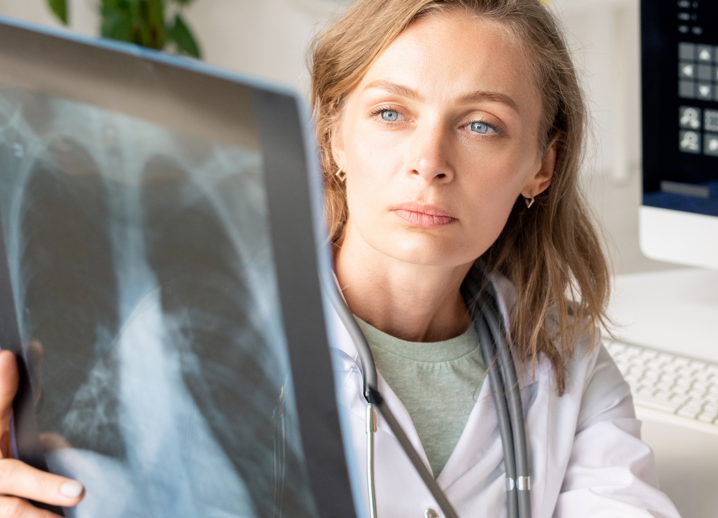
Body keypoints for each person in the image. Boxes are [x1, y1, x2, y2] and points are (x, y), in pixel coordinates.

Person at [0, 0, 681, 516]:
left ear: (541, 165)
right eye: (391, 113)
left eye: (481, 125)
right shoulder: (194, 333)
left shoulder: (561, 356)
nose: (429, 163)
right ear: (333, 138)